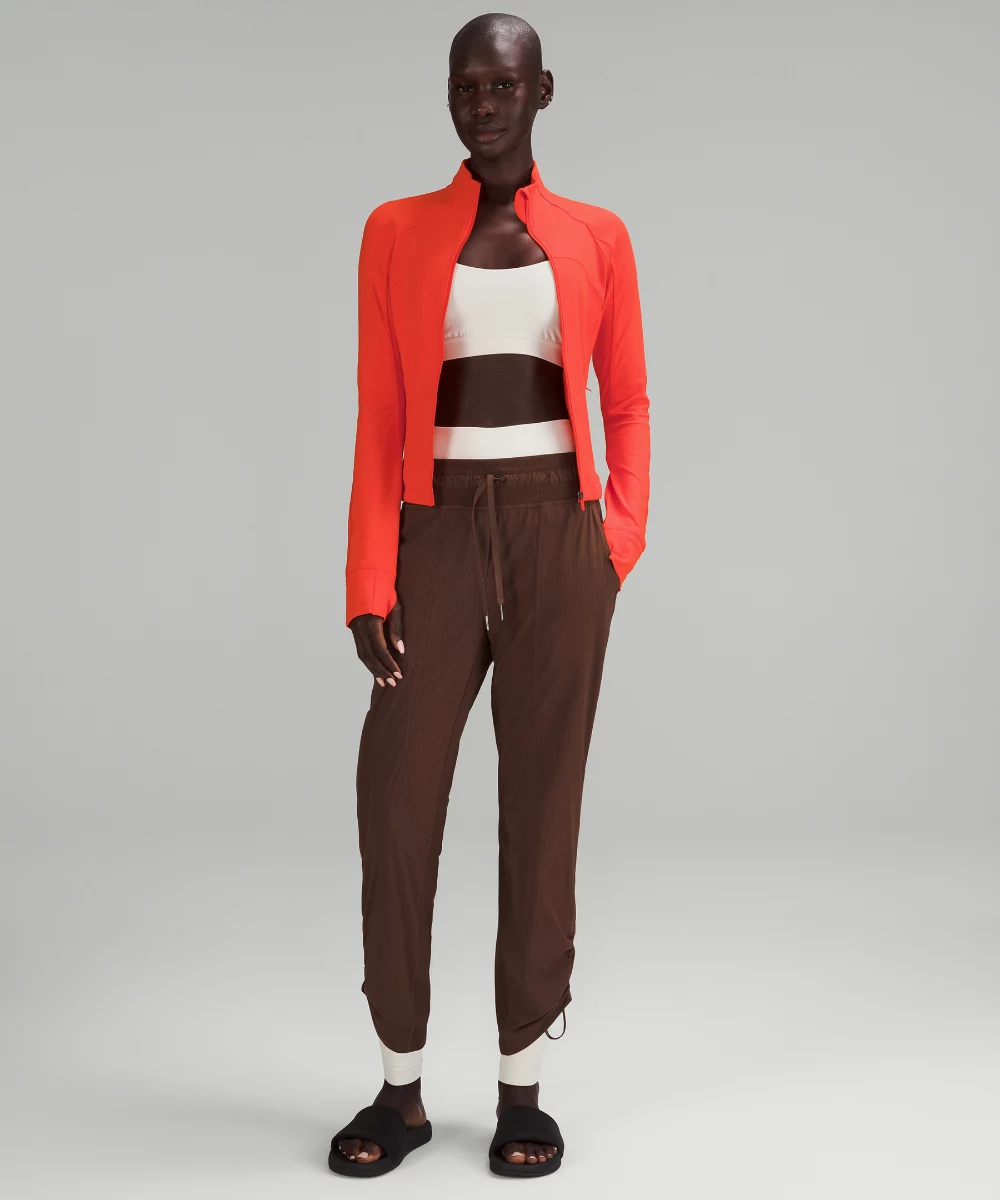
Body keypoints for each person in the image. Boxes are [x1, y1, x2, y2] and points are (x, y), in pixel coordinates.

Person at [329, 11, 650, 1179]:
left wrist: (617, 540)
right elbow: (379, 416)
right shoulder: (395, 230)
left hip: (561, 535)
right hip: (435, 533)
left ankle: (522, 1088)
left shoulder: (597, 235)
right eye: (466, 84)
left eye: (504, 84)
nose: (483, 102)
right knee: (395, 803)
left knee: (541, 807)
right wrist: (369, 577)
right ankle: (400, 1088)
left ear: (542, 92)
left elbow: (626, 401)